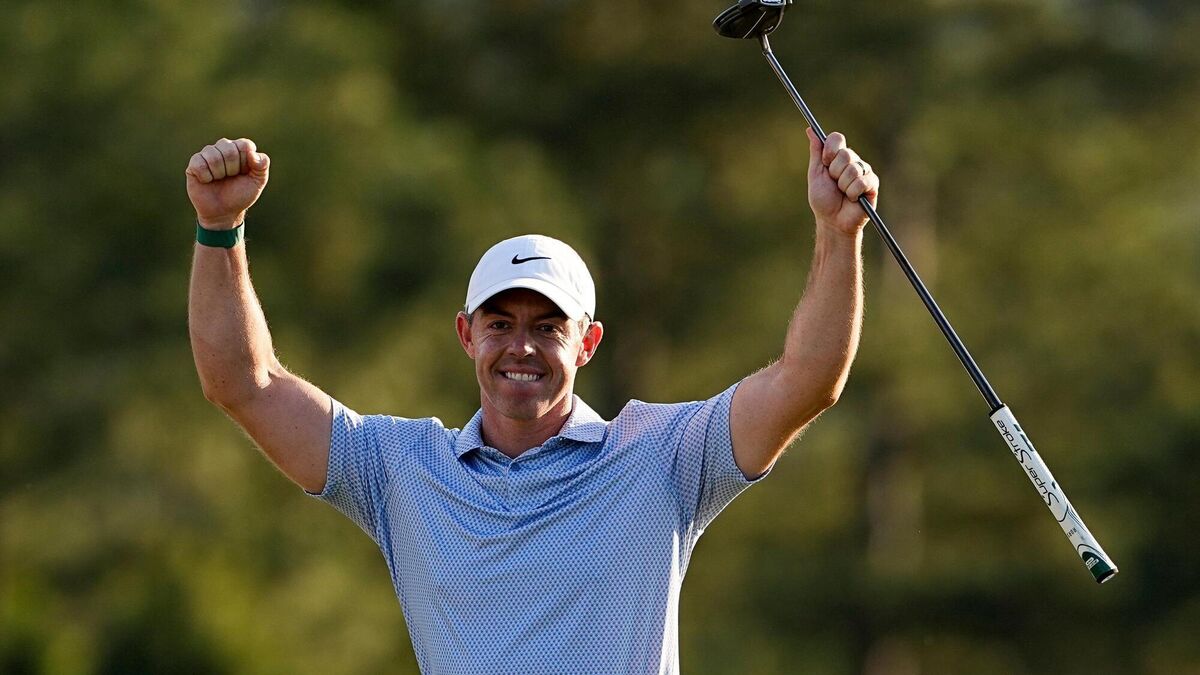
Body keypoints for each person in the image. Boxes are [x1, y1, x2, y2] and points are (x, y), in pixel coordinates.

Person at [186, 129, 878, 674]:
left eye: (548, 327)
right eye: (500, 324)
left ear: (588, 343)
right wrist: (219, 228)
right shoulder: (400, 469)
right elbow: (245, 384)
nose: (521, 347)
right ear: (467, 334)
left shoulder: (663, 457)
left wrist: (837, 234)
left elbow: (806, 381)